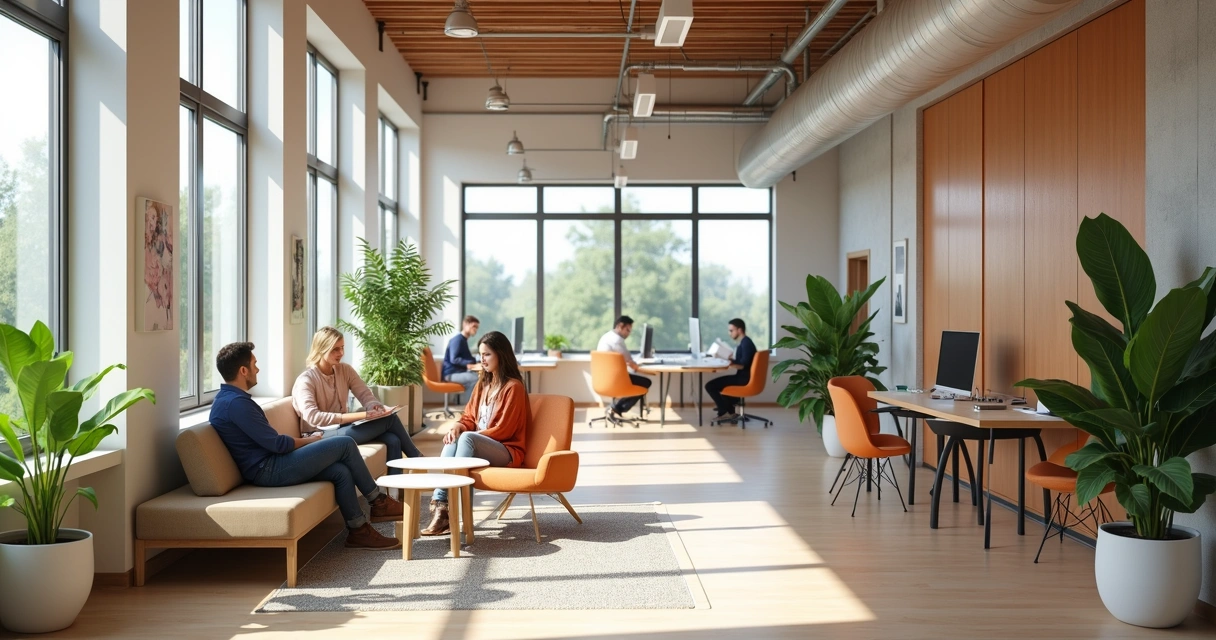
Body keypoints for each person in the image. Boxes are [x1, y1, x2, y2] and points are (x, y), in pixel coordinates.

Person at [209, 342, 403, 550]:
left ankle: (358, 531)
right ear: (243, 370)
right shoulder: (236, 404)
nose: (257, 369)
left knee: (340, 471)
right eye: (254, 364)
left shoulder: (229, 400)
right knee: (345, 443)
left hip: (269, 464)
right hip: (268, 469)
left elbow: (271, 442)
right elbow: (277, 444)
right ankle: (378, 501)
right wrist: (310, 441)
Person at [421, 330, 530, 536]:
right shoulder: (483, 384)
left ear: (501, 355)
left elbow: (505, 429)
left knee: (467, 438)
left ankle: (445, 506)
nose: (482, 359)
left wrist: (470, 435)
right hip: (480, 445)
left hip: (507, 450)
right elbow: (469, 417)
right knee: (455, 438)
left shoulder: (513, 387)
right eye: (480, 354)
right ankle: (443, 507)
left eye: (487, 354)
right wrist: (458, 426)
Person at [292, 327, 423, 474]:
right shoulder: (306, 380)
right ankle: (418, 460)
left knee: (393, 440)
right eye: (335, 349)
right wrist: (364, 415)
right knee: (390, 419)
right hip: (318, 436)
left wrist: (375, 407)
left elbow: (365, 395)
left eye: (342, 348)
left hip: (342, 428)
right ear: (321, 349)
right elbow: (313, 417)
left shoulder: (345, 370)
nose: (341, 353)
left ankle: (396, 486)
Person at [595, 315, 652, 420]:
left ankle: (616, 407)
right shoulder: (617, 340)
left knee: (636, 379)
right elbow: (630, 361)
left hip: (602, 379)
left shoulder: (607, 336)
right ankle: (617, 408)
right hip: (614, 380)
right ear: (620, 326)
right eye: (627, 330)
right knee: (646, 382)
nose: (628, 334)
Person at [705, 318, 758, 421]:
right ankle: (730, 412)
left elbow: (743, 365)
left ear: (739, 330)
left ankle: (724, 412)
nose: (730, 333)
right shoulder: (744, 342)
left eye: (731, 330)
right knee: (721, 385)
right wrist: (729, 359)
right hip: (743, 376)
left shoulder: (746, 343)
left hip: (744, 379)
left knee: (710, 386)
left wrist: (730, 362)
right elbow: (742, 362)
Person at [442, 315, 480, 398]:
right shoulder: (457, 340)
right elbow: (454, 359)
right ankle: (469, 404)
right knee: (476, 378)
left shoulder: (463, 340)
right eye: (474, 326)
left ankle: (474, 403)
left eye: (477, 327)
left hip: (458, 372)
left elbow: (466, 358)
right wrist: (468, 364)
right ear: (465, 324)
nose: (476, 329)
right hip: (451, 374)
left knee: (481, 377)